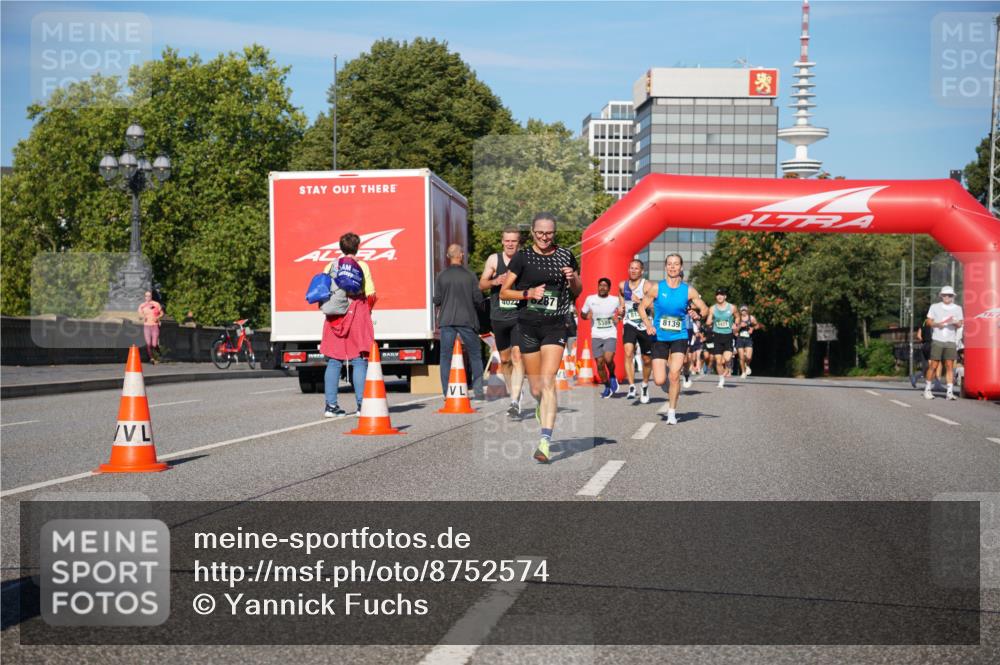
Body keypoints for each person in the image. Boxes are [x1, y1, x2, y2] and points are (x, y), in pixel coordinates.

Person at [500, 212, 582, 463]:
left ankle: (544, 441)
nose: (545, 237)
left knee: (548, 382)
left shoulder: (565, 255)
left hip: (555, 326)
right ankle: (540, 404)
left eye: (549, 233)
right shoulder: (522, 257)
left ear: (554, 233)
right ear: (533, 233)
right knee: (536, 387)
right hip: (528, 326)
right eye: (540, 233)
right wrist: (528, 294)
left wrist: (573, 278)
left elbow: (578, 291)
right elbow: (504, 292)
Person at [639, 254, 709, 425]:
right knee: (659, 380)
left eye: (676, 264)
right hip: (660, 337)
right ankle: (666, 381)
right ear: (665, 267)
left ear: (681, 267)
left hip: (679, 336)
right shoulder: (656, 288)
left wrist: (698, 314)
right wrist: (648, 324)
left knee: (675, 374)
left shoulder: (688, 290)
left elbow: (705, 309)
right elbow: (641, 307)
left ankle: (671, 412)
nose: (672, 267)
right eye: (669, 264)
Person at [321, 232, 376, 418]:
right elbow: (371, 293)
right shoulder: (362, 266)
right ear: (357, 247)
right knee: (358, 359)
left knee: (334, 360)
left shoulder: (330, 266)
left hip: (334, 316)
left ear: (341, 247)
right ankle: (362, 405)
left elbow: (324, 290)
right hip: (357, 313)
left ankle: (331, 406)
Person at [480, 227, 526, 417]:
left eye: (513, 241)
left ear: (518, 243)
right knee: (505, 360)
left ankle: (514, 401)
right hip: (498, 317)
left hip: (519, 316)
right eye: (507, 240)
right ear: (502, 242)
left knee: (517, 356)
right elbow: (481, 284)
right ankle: (514, 393)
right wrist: (495, 281)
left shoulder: (525, 260)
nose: (510, 244)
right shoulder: (494, 260)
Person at [435, 244, 485, 401]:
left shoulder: (441, 276)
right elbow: (478, 299)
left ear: (448, 257)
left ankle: (447, 393)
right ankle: (478, 392)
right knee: (475, 354)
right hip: (467, 320)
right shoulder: (470, 276)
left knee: (445, 356)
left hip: (447, 320)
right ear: (461, 255)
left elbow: (437, 300)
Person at [619, 259, 654, 403]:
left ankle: (644, 385)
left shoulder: (647, 286)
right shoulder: (623, 285)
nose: (633, 271)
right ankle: (632, 386)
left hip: (645, 325)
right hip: (630, 323)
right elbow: (621, 297)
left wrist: (639, 301)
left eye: (636, 268)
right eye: (631, 268)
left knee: (647, 359)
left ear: (642, 271)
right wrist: (621, 308)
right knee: (628, 352)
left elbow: (654, 307)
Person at [581, 277, 621, 399]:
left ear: (609, 288)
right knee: (599, 363)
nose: (602, 287)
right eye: (600, 285)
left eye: (605, 286)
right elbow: (582, 313)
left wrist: (618, 318)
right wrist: (586, 316)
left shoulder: (615, 300)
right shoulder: (590, 299)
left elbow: (622, 312)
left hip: (610, 334)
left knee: (608, 359)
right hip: (596, 335)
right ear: (598, 287)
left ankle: (612, 375)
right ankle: (607, 386)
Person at [923, 285, 963, 400]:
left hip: (951, 340)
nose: (947, 297)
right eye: (945, 295)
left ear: (953, 296)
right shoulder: (935, 307)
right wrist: (937, 324)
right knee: (933, 365)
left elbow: (960, 324)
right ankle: (927, 389)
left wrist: (955, 322)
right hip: (937, 339)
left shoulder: (957, 308)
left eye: (949, 295)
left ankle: (949, 392)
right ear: (941, 296)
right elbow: (928, 321)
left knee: (950, 366)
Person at [705, 288, 740, 389]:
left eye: (721, 294)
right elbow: (708, 321)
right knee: (718, 361)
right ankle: (721, 380)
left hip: (728, 336)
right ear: (716, 297)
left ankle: (728, 366)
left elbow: (737, 317)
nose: (719, 296)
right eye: (718, 295)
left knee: (727, 359)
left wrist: (736, 324)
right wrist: (709, 321)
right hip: (717, 336)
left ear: (725, 296)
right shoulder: (712, 308)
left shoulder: (732, 307)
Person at [137, 291, 164, 364]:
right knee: (148, 344)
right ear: (144, 297)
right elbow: (140, 316)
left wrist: (158, 317)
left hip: (155, 325)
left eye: (149, 296)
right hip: (147, 326)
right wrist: (142, 317)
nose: (148, 297)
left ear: (151, 296)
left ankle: (159, 353)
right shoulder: (142, 305)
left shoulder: (156, 304)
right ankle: (151, 358)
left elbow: (162, 313)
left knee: (154, 344)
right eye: (146, 296)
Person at [735, 305, 760, 378]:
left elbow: (757, 326)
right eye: (742, 310)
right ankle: (743, 372)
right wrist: (740, 326)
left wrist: (752, 329)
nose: (744, 312)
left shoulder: (751, 318)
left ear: (747, 311)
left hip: (748, 339)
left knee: (748, 357)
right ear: (740, 311)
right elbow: (734, 330)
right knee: (741, 357)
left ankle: (747, 365)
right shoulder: (738, 318)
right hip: (740, 339)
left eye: (745, 310)